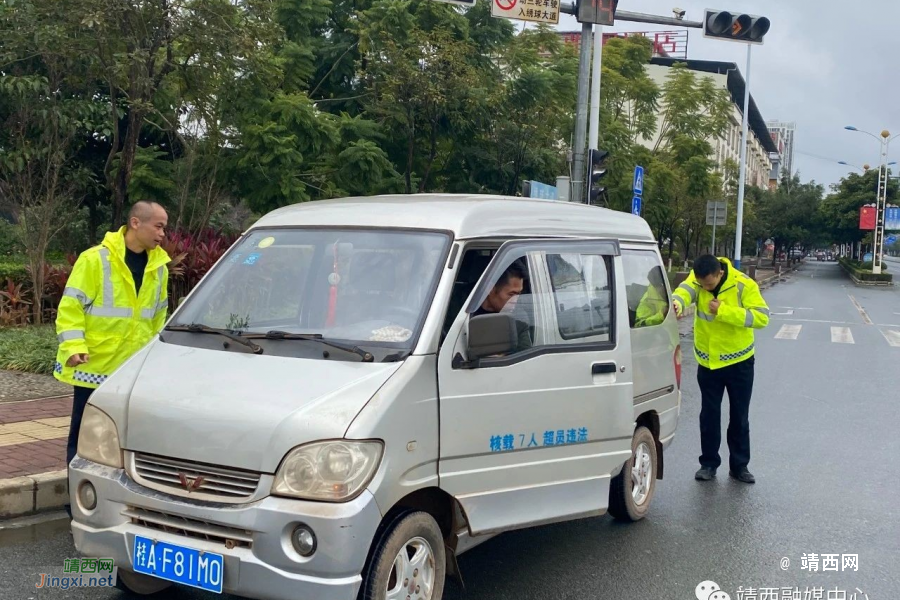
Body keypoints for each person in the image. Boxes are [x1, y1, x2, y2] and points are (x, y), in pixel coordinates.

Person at [55, 201, 170, 507]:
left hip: (135, 373)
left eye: (164, 227)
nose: (163, 233)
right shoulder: (95, 260)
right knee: (85, 443)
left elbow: (159, 319)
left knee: (129, 444)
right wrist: (74, 347)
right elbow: (70, 308)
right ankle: (77, 505)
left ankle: (122, 504)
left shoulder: (159, 267)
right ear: (136, 223)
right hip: (95, 370)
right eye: (158, 226)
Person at [672, 255, 769, 484]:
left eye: (709, 284)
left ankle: (739, 466)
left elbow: (762, 318)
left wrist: (724, 311)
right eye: (702, 284)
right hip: (708, 363)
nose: (705, 288)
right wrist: (677, 302)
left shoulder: (744, 285)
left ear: (720, 274)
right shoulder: (697, 280)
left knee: (739, 416)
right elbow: (684, 290)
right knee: (709, 415)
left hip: (739, 362)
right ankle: (708, 464)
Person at [472, 259, 533, 352]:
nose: (515, 300)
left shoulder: (520, 318)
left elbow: (524, 356)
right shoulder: (460, 308)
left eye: (519, 294)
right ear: (490, 289)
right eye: (511, 294)